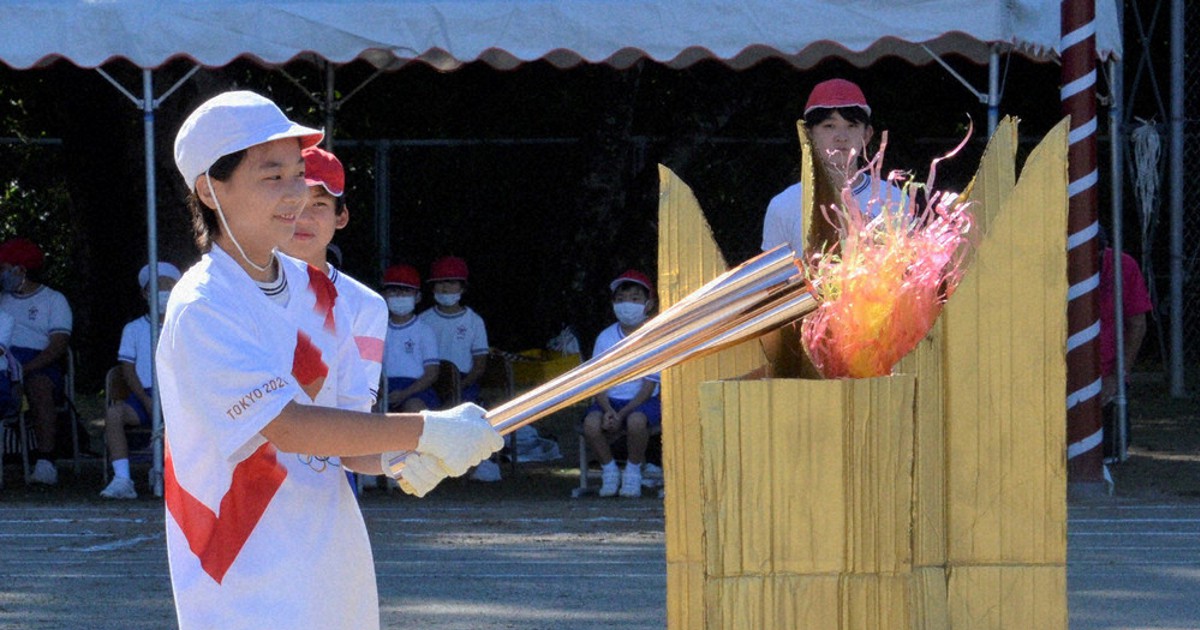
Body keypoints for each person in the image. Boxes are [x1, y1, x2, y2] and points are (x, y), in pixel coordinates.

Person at [161, 90, 502, 629]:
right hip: (244, 582)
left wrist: (403, 457)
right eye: (272, 176)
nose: (295, 194)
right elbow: (289, 427)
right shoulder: (204, 305)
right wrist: (423, 431)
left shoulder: (321, 296)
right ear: (209, 188)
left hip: (332, 572)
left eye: (299, 174)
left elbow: (348, 442)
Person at [761, 78, 904, 255]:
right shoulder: (784, 205)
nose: (841, 136)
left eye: (851, 126)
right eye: (829, 126)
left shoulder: (894, 200)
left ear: (867, 135)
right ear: (809, 135)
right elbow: (774, 279)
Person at [99, 262, 181, 499]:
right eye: (156, 288)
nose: (162, 293)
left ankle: (172, 474)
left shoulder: (186, 324)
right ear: (145, 294)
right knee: (114, 414)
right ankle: (123, 478)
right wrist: (146, 400)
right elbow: (127, 370)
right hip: (143, 394)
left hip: (177, 395)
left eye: (168, 286)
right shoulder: (133, 329)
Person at [581, 270, 661, 498]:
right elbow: (598, 382)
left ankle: (633, 472)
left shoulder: (653, 336)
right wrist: (607, 410)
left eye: (635, 299)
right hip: (610, 400)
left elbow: (648, 385)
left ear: (649, 304)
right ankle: (609, 470)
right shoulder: (605, 338)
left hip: (643, 401)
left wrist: (623, 413)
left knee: (637, 422)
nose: (627, 304)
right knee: (591, 424)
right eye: (621, 299)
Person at [0, 237, 72, 486]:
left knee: (39, 387)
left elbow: (59, 344)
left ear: (20, 269)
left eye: (3, 268)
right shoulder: (2, 300)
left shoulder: (54, 300)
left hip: (38, 363)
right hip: (4, 360)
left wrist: (25, 369)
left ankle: (45, 461)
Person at [1098, 233, 1153, 456]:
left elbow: (1138, 324)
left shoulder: (1123, 266)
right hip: (1064, 372)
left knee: (1113, 448)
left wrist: (1117, 376)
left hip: (1109, 372)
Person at [418, 256, 489, 404]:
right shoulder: (423, 320)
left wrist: (459, 387)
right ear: (433, 287)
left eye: (451, 282)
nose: (445, 287)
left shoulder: (474, 321)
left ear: (462, 288)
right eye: (440, 282)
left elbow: (479, 366)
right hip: (429, 381)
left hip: (464, 382)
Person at [381, 264, 441, 412]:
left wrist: (405, 394)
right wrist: (381, 392)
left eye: (406, 291)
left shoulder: (425, 330)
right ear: (384, 296)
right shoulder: (378, 329)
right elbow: (369, 368)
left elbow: (432, 373)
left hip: (417, 389)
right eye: (394, 291)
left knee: (414, 408)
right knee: (368, 410)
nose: (400, 296)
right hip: (384, 388)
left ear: (418, 297)